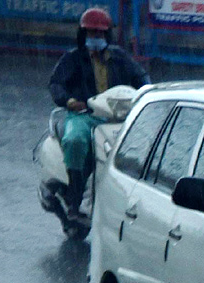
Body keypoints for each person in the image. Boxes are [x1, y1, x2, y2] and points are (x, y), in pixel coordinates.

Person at [48, 8, 150, 221]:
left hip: (116, 116)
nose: (96, 38)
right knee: (75, 140)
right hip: (84, 115)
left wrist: (149, 94)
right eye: (92, 33)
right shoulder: (73, 58)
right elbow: (56, 84)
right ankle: (74, 201)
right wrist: (70, 101)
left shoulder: (120, 57)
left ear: (107, 36)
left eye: (100, 34)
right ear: (83, 34)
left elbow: (140, 77)